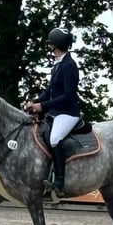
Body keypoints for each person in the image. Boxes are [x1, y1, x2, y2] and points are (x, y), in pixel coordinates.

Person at [25, 27, 81, 197]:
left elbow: (68, 95)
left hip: (68, 112)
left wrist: (43, 107)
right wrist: (34, 102)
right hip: (56, 111)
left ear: (55, 45)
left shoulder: (69, 66)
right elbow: (49, 92)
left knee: (55, 138)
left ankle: (59, 182)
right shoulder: (58, 65)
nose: (49, 47)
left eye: (50, 44)